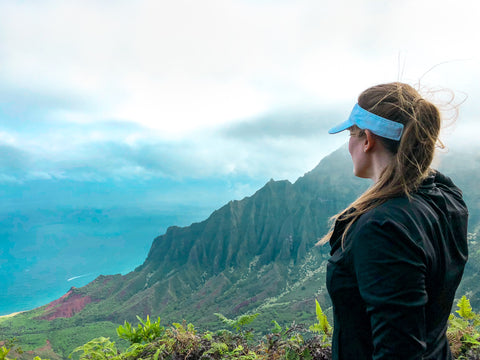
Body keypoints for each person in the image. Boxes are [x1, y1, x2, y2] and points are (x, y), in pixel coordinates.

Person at [321, 82, 469, 359]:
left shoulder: (382, 227)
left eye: (350, 134)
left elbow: (399, 351)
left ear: (366, 139)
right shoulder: (447, 198)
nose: (348, 144)